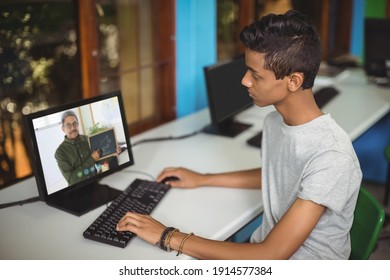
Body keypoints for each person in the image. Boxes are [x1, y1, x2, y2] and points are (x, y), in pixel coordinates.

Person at [117, 10, 362, 259]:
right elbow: (279, 175)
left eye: (255, 75)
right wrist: (203, 178)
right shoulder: (275, 121)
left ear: (294, 81)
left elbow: (270, 256)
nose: (245, 81)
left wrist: (168, 236)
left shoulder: (331, 156)